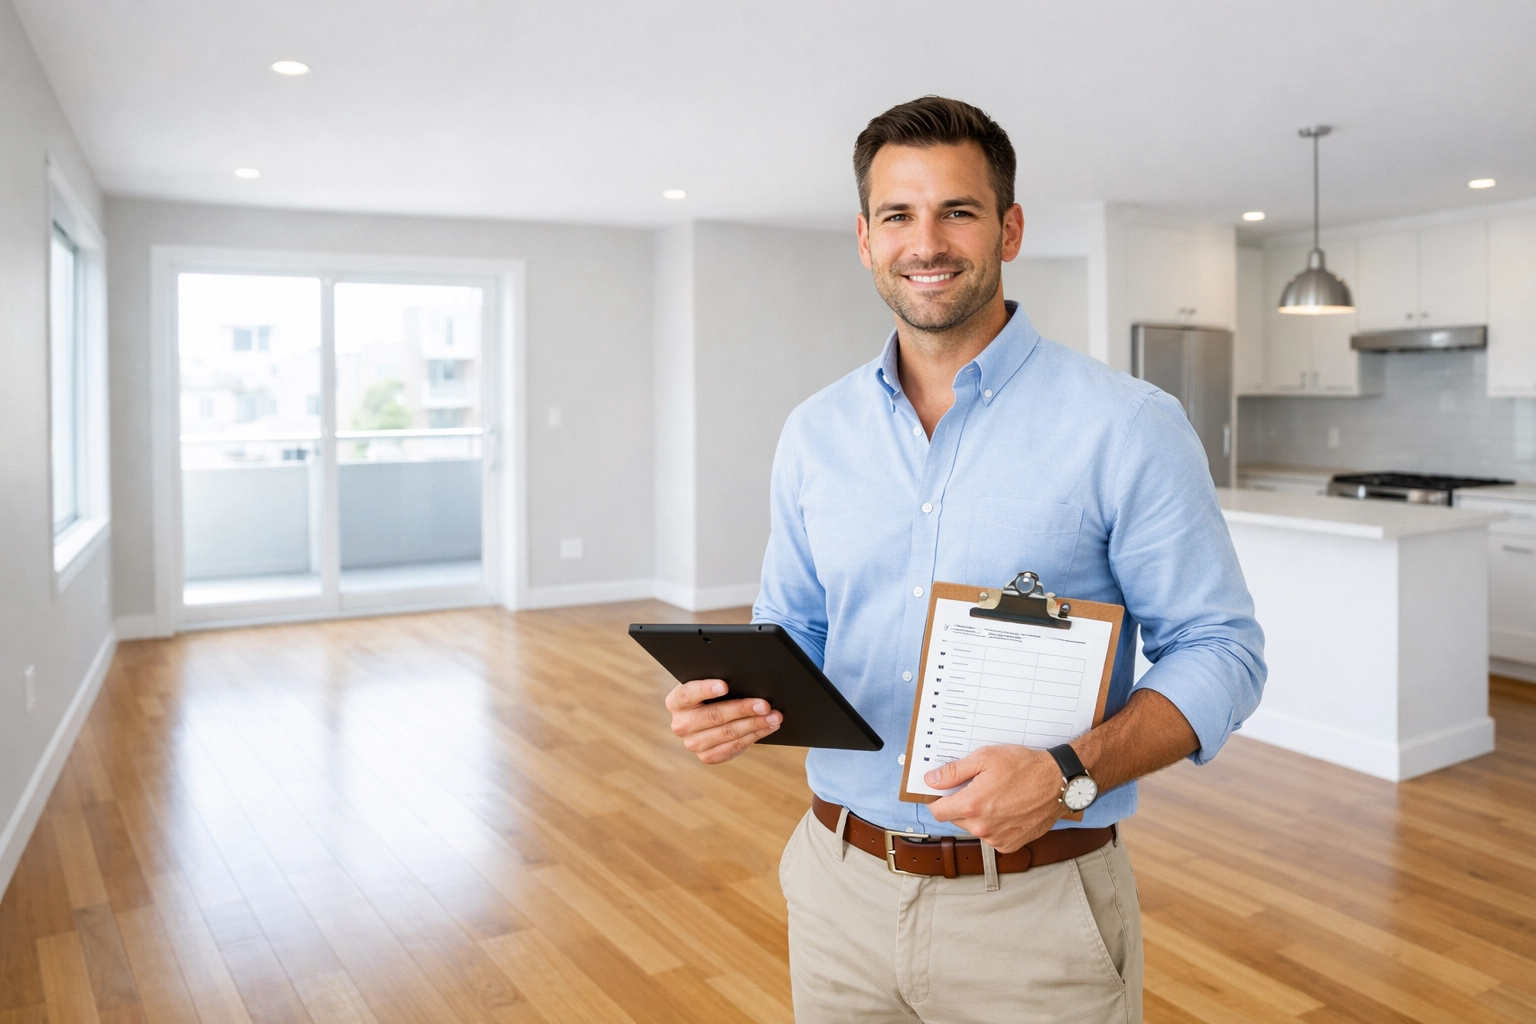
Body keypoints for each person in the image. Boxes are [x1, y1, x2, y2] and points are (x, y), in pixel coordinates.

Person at [663, 95, 1265, 1024]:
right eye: (898, 214)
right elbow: (799, 629)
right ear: (865, 238)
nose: (926, 241)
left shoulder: (1128, 425)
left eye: (959, 210)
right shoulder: (815, 432)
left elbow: (1223, 650)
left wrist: (1074, 770)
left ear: (1009, 228)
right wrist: (733, 704)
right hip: (836, 891)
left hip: (1037, 914)